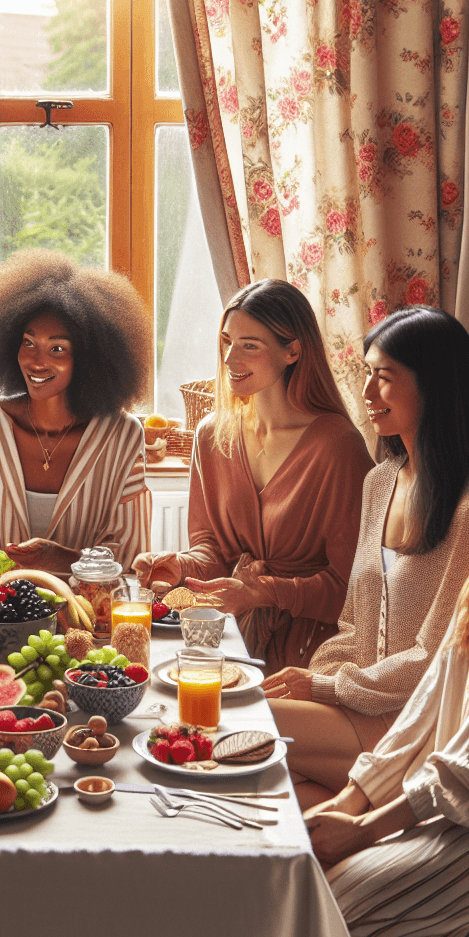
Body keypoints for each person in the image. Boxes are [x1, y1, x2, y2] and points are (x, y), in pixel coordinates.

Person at [264, 306, 469, 807]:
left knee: (245, 722)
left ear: (436, 386)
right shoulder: (380, 481)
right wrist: (320, 680)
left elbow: (434, 661)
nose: (365, 394)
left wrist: (326, 686)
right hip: (357, 709)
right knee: (279, 789)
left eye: (383, 378)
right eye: (366, 374)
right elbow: (352, 625)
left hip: (413, 725)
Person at [134, 279, 374, 672]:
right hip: (230, 637)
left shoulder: (338, 446)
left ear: (292, 351)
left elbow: (354, 589)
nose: (229, 359)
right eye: (227, 341)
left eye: (249, 345)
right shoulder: (212, 435)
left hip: (314, 656)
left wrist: (264, 592)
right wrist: (181, 567)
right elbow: (213, 551)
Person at [0, 249, 152, 576]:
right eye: (28, 343)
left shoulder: (123, 435)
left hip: (88, 619)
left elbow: (132, 557)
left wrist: (61, 560)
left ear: (90, 358)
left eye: (57, 349)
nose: (37, 361)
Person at [305, 563, 469, 937]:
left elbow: (468, 770)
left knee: (329, 906)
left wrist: (365, 828)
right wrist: (353, 796)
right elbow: (429, 701)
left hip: (468, 830)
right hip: (444, 805)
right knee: (303, 876)